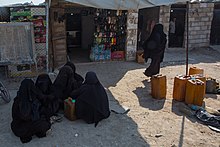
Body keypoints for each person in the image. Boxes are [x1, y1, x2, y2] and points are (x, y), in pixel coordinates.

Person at [11, 79, 51, 143]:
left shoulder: (18, 99)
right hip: (21, 128)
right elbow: (28, 117)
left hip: (16, 127)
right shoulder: (21, 102)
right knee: (44, 124)